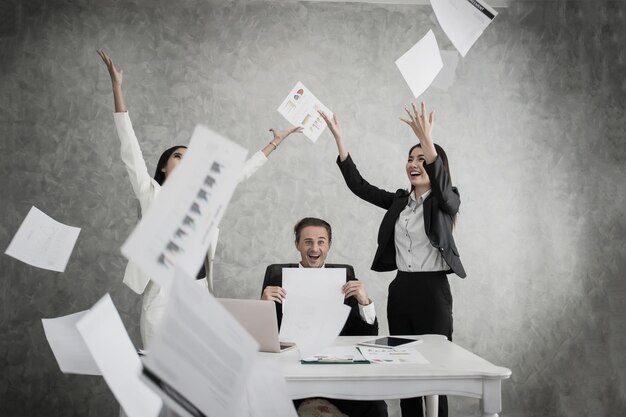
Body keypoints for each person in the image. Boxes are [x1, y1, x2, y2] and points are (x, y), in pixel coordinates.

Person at [97, 49, 302, 348]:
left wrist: (274, 143)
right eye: (178, 156)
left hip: (198, 295)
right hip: (162, 298)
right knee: (163, 383)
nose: (185, 161)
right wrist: (117, 88)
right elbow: (129, 147)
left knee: (198, 383)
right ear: (165, 167)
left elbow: (241, 173)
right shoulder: (150, 193)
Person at [319, 103, 466, 417]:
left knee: (434, 373)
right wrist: (340, 141)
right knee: (405, 369)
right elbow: (360, 187)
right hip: (401, 291)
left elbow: (443, 186)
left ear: (436, 166)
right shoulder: (399, 201)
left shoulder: (447, 199)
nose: (413, 164)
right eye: (410, 159)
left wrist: (428, 140)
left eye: (421, 159)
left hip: (433, 291)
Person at [261, 217, 388, 417]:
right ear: (297, 244)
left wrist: (365, 302)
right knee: (264, 403)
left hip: (337, 371)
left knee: (376, 408)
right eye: (308, 241)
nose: (315, 248)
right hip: (294, 372)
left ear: (329, 245)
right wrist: (264, 305)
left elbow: (365, 336)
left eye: (321, 241)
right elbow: (263, 339)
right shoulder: (277, 281)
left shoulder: (346, 281)